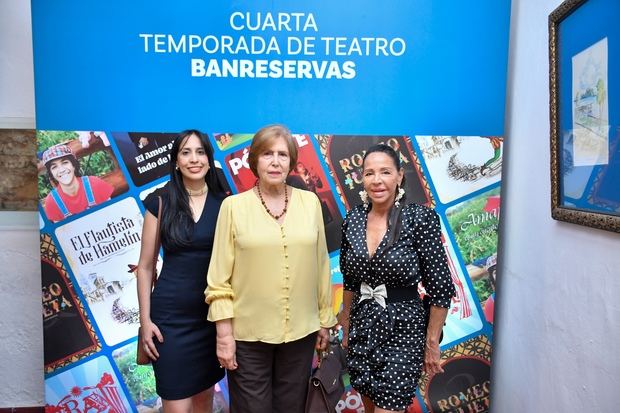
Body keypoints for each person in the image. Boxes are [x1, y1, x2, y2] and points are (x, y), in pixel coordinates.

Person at [205, 124, 337, 413]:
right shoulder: (233, 207)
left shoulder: (310, 202)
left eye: (282, 154)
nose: (275, 162)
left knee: (292, 407)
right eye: (267, 154)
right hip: (248, 337)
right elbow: (218, 280)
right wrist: (224, 336)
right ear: (254, 160)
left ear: (291, 160)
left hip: (301, 332)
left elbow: (320, 264)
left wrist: (325, 319)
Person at [338, 144, 455, 413]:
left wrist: (431, 342)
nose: (377, 180)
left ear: (400, 176)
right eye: (369, 173)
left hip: (404, 330)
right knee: (369, 406)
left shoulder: (420, 218)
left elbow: (440, 288)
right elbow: (349, 279)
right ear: (362, 179)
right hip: (363, 328)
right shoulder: (352, 219)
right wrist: (345, 322)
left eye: (385, 172)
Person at [137, 130, 227, 413]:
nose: (194, 159)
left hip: (211, 320)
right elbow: (145, 267)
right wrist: (145, 322)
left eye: (200, 152)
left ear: (209, 159)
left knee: (204, 405)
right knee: (176, 407)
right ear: (176, 160)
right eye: (186, 152)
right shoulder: (161, 201)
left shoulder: (225, 203)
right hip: (170, 325)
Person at [41, 144, 114, 222]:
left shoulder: (95, 184)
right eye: (54, 167)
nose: (61, 170)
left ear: (74, 165)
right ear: (51, 173)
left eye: (65, 162)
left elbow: (113, 215)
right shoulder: (52, 201)